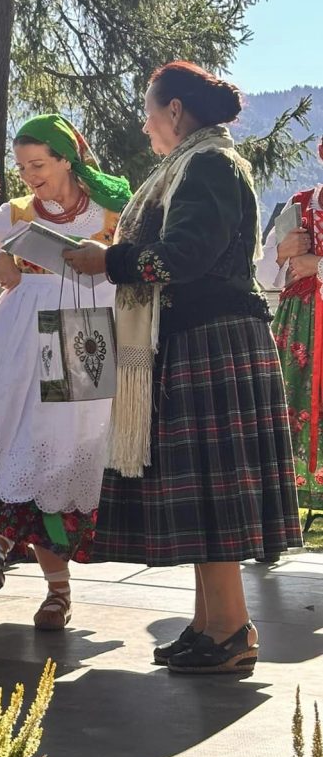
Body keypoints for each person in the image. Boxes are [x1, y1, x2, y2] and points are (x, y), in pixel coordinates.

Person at [64, 61, 302, 673]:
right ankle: (208, 625)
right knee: (200, 486)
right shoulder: (192, 163)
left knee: (210, 484)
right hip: (198, 337)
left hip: (214, 339)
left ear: (174, 111)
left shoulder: (209, 164)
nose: (145, 127)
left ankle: (229, 630)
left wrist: (109, 261)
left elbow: (186, 256)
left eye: (149, 112)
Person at [0, 115, 130, 629]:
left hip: (82, 334)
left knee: (61, 451)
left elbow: (136, 269)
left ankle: (15, 553)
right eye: (21, 166)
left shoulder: (113, 212)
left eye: (38, 164)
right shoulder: (17, 212)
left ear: (68, 159)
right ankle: (33, 573)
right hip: (18, 339)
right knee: (16, 439)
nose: (29, 175)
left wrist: (107, 260)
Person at [255, 137, 323, 519]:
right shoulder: (299, 205)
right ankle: (275, 517)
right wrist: (282, 251)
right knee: (286, 413)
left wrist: (318, 264)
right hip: (297, 328)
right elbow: (264, 276)